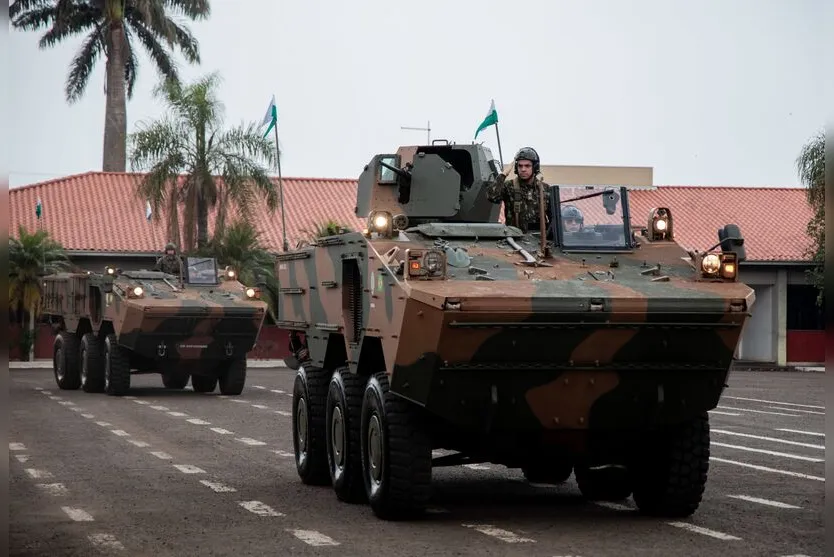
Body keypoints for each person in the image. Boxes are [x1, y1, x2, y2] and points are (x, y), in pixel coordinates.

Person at [486, 147, 551, 233]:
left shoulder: (545, 189)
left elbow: (553, 219)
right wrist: (504, 174)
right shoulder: (509, 187)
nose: (523, 169)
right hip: (515, 239)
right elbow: (491, 196)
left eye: (527, 166)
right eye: (520, 166)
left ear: (534, 167)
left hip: (539, 239)